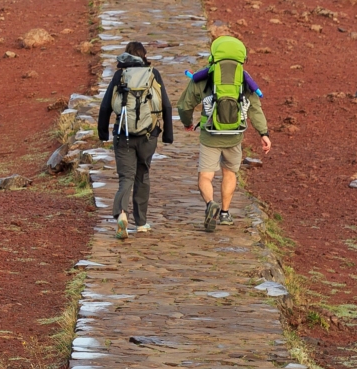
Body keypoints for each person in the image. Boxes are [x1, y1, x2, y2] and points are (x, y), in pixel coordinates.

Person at [178, 34, 271, 232]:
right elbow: (254, 108)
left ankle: (210, 203)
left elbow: (185, 106)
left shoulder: (204, 78)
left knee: (206, 176)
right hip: (234, 135)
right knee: (229, 172)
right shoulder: (244, 79)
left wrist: (188, 123)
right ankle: (226, 213)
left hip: (210, 135)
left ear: (214, 55)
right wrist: (264, 133)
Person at [96, 40, 173, 239]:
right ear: (144, 56)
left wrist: (103, 133)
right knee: (143, 175)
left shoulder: (119, 76)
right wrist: (167, 134)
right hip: (149, 136)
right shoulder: (152, 74)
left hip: (124, 136)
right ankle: (141, 222)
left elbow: (105, 106)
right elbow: (166, 105)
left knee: (126, 178)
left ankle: (122, 214)